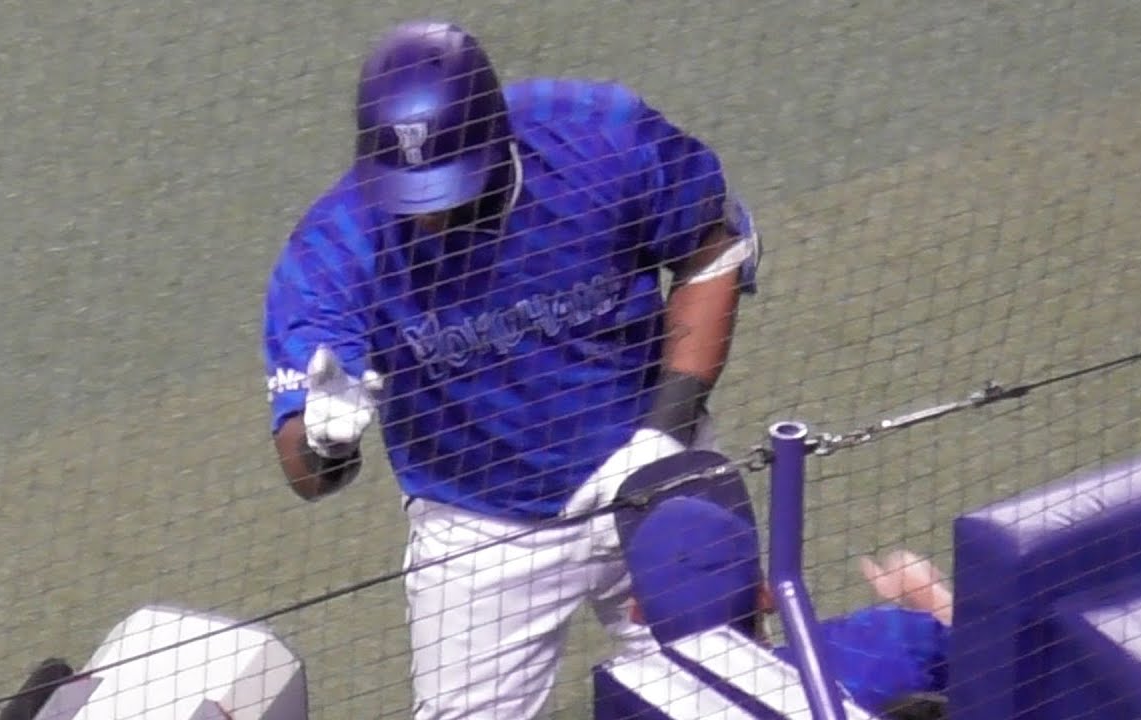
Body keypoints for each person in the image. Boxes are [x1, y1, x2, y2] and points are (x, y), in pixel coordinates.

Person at [261, 18, 760, 720]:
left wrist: (663, 437)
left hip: (651, 473)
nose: (432, 215)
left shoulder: (600, 135)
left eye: (450, 188)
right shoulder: (334, 250)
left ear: (499, 138)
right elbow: (306, 475)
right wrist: (324, 441)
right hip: (481, 530)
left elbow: (711, 253)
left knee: (735, 697)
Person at [614, 461, 952, 718]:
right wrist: (930, 596)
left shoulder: (627, 703)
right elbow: (981, 656)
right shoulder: (876, 641)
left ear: (636, 612)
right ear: (768, 596)